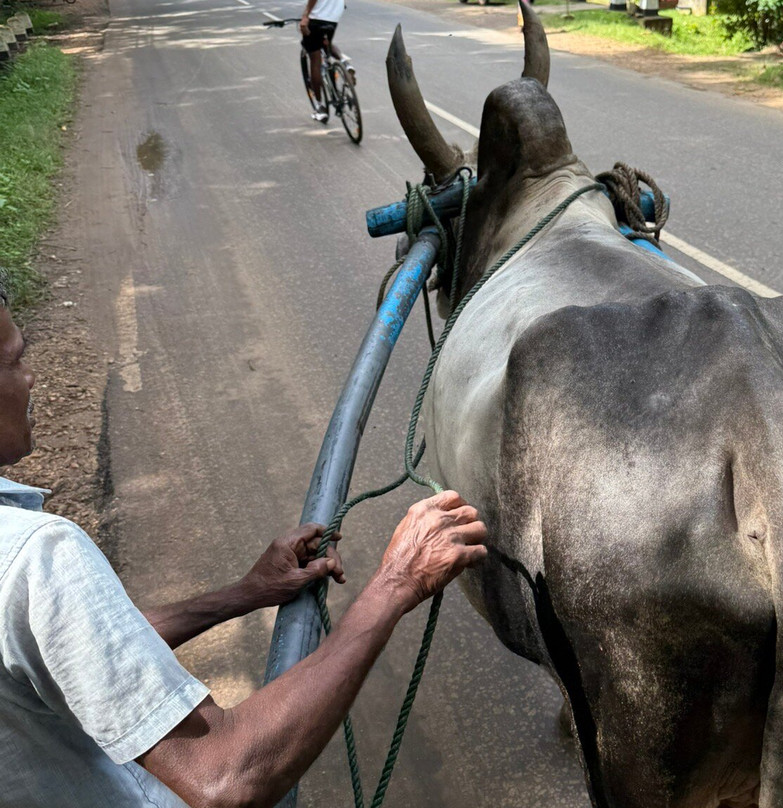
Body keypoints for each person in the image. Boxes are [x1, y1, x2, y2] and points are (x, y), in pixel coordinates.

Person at [0, 282, 488, 808]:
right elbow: (223, 779)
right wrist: (396, 582)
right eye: (14, 361)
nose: (30, 377)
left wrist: (246, 593)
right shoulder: (38, 553)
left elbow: (86, 650)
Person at [300, 0, 353, 123]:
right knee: (326, 44)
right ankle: (344, 62)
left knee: (315, 60)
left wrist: (305, 16)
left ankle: (320, 107)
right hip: (333, 18)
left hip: (317, 17)